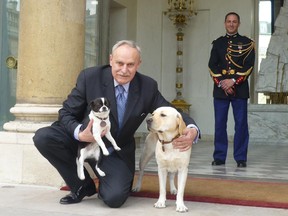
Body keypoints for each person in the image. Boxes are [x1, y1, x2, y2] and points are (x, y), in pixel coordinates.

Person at [33, 40, 199, 208]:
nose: (124, 70)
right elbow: (66, 113)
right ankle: (81, 185)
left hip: (115, 150)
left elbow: (172, 111)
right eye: (119, 63)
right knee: (44, 137)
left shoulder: (147, 86)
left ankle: (107, 178)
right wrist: (80, 133)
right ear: (111, 60)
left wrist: (192, 129)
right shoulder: (89, 77)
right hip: (83, 141)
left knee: (114, 198)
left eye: (130, 65)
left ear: (138, 64)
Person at [208, 12, 255, 168]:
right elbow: (212, 66)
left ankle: (241, 158)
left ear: (239, 24)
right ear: (225, 23)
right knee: (220, 124)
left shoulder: (247, 43)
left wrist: (233, 81)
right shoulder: (218, 43)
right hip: (221, 91)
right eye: (229, 21)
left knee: (241, 124)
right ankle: (219, 157)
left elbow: (249, 66)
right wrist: (223, 83)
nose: (231, 24)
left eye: (234, 21)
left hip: (240, 90)